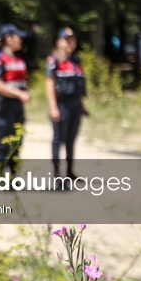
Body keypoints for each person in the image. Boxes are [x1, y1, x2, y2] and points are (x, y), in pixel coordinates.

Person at [46, 27, 88, 178]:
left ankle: (70, 170)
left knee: (71, 138)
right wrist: (53, 107)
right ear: (59, 42)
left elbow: (77, 85)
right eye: (66, 39)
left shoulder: (76, 60)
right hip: (61, 104)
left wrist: (82, 105)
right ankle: (56, 171)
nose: (70, 42)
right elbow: (50, 84)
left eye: (72, 39)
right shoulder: (54, 60)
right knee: (59, 138)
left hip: (75, 104)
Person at [0, 24, 30, 174]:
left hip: (17, 107)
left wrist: (25, 91)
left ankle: (13, 177)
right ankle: (0, 177)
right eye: (18, 36)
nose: (21, 40)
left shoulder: (18, 59)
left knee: (17, 141)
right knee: (4, 142)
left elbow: (21, 82)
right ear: (9, 39)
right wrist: (19, 94)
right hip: (4, 106)